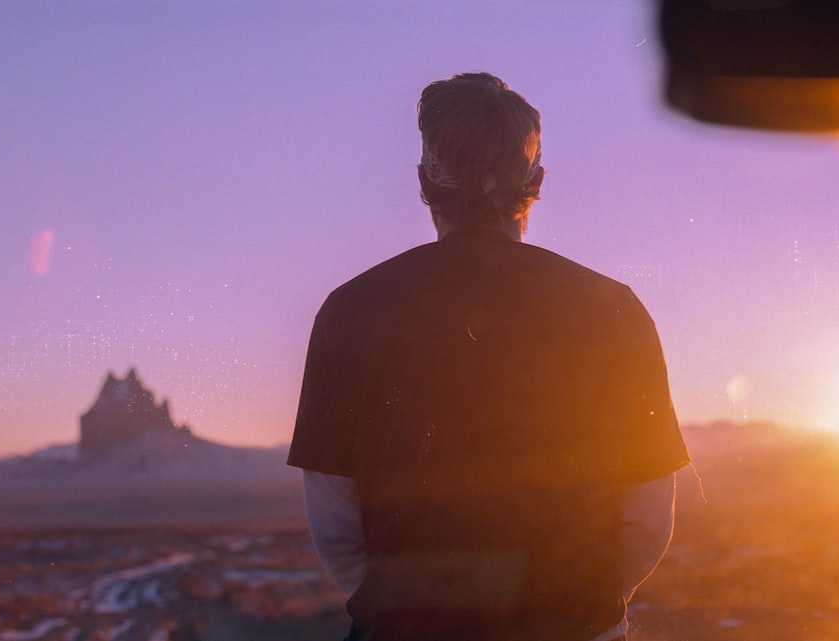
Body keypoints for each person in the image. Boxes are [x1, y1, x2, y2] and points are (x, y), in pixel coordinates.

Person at [287, 72, 689, 641]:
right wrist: (580, 612)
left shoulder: (351, 311)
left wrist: (412, 615)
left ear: (424, 181)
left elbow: (334, 521)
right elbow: (648, 515)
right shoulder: (612, 310)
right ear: (538, 182)